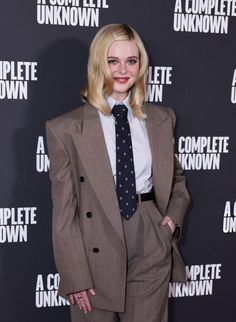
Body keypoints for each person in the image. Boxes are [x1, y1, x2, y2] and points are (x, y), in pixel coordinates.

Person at [46, 23, 190, 322]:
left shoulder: (162, 119)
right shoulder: (65, 128)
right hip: (94, 242)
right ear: (99, 64)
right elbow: (64, 210)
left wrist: (169, 222)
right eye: (113, 61)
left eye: (131, 61)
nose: (123, 69)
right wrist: (74, 275)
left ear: (141, 66)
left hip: (150, 235)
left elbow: (176, 180)